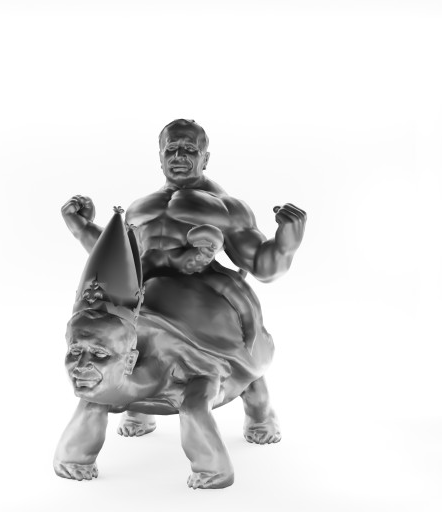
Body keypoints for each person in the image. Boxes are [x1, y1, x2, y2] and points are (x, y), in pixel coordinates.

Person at [61, 119, 307, 442]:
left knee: (234, 365)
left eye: (189, 149)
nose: (179, 156)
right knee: (112, 345)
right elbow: (120, 258)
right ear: (160, 156)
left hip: (201, 305)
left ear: (205, 158)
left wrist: (287, 241)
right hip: (141, 304)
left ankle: (259, 414)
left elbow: (263, 264)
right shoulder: (139, 208)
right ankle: (135, 408)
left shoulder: (225, 208)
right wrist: (80, 227)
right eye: (171, 149)